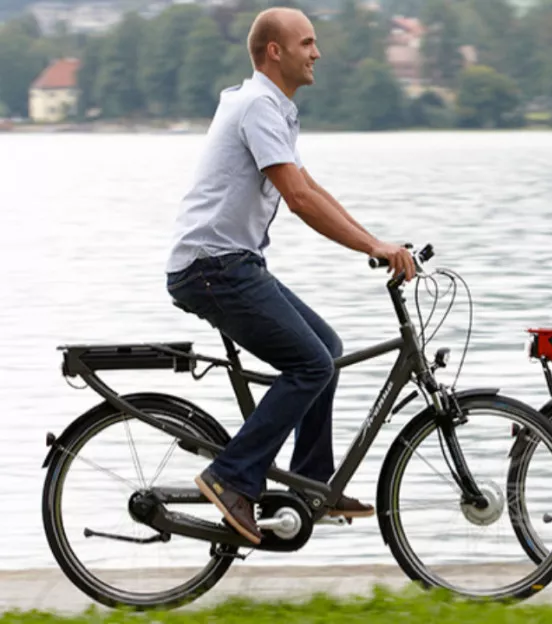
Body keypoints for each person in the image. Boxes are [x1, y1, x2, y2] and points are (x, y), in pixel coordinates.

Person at [164, 6, 417, 545]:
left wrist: (377, 241)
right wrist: (372, 245)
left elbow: (310, 187)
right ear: (275, 52)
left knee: (326, 347)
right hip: (215, 267)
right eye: (307, 43)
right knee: (310, 364)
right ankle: (231, 476)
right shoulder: (258, 105)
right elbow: (298, 200)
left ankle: (308, 486)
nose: (317, 53)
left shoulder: (269, 107)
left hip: (232, 264)